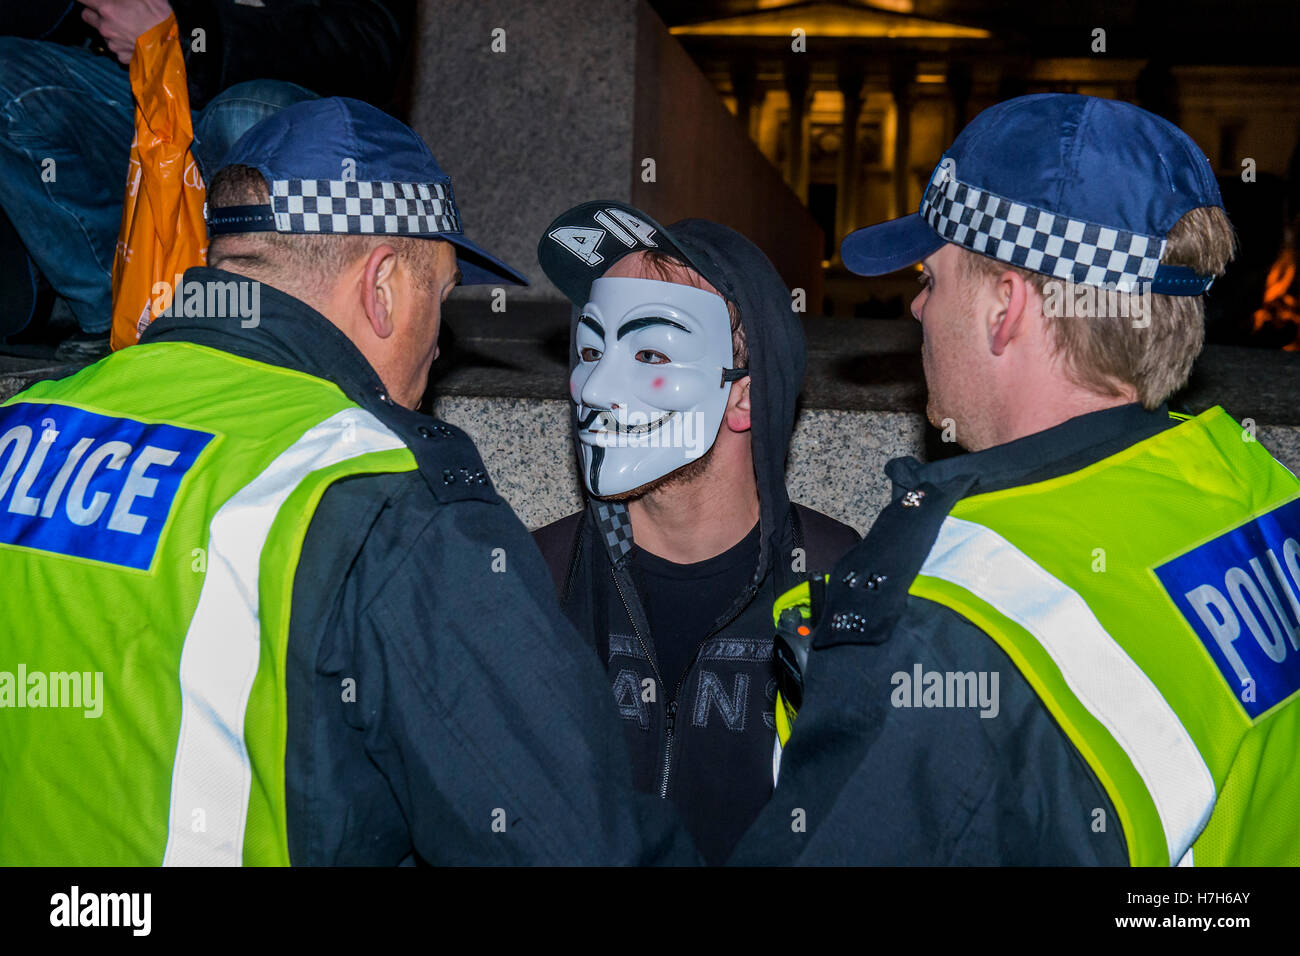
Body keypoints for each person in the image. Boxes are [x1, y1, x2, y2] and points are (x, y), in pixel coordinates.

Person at [0, 99, 692, 866]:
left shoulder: (26, 424)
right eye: (442, 294)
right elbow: (570, 846)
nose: (438, 348)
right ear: (385, 285)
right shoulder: (383, 490)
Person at [731, 93, 1300, 866]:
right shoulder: (1261, 495)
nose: (917, 306)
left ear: (1005, 304)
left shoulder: (946, 633)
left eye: (931, 277)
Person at [533, 201, 859, 865]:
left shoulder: (838, 587)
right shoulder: (532, 580)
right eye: (591, 348)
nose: (596, 384)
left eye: (650, 351)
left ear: (744, 395)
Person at [0, 0, 413, 359]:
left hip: (273, 102)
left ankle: (267, 327)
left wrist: (187, 30)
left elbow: (369, 45)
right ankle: (120, 309)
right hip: (143, 99)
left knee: (242, 116)